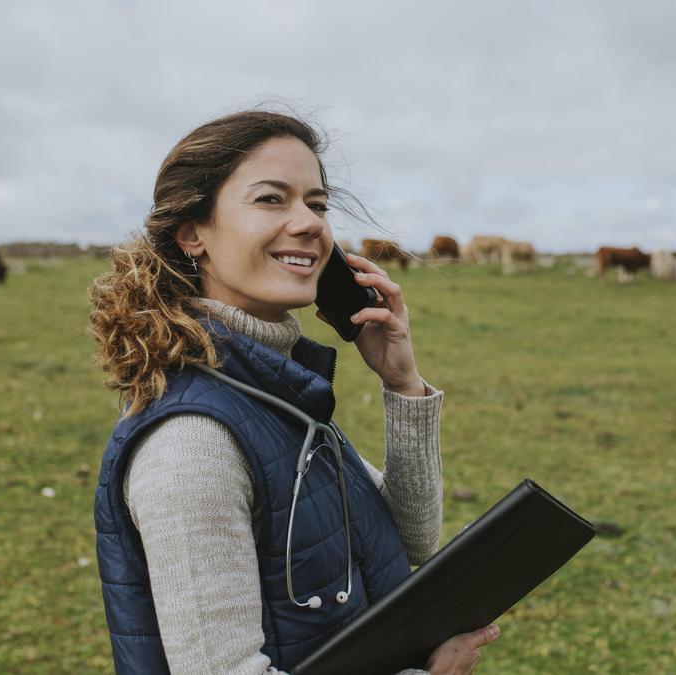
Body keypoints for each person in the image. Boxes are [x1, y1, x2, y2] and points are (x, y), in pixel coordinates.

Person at [88, 110, 501, 674]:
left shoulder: (274, 391)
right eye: (270, 199)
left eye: (318, 203)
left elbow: (407, 543)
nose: (310, 224)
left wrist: (402, 385)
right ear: (192, 233)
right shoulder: (192, 444)